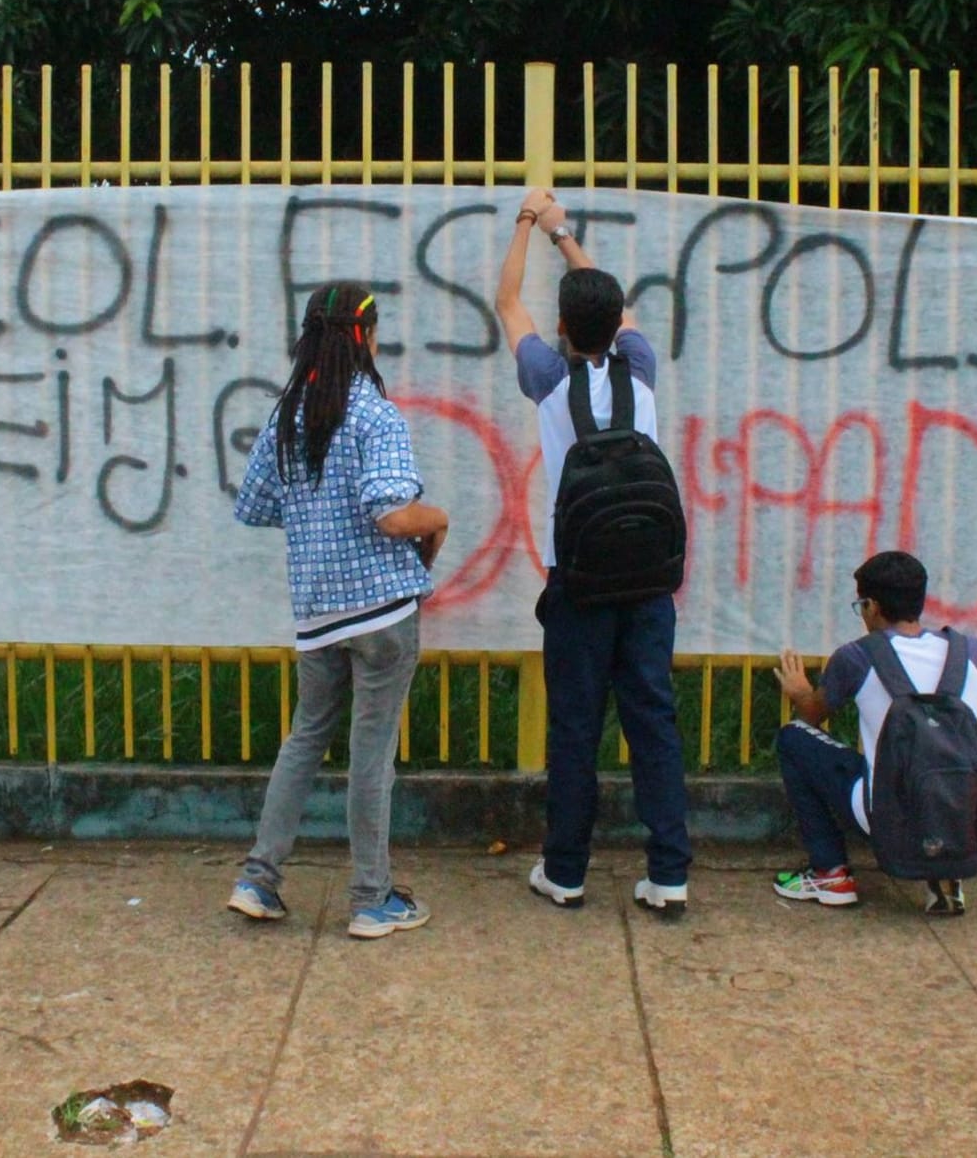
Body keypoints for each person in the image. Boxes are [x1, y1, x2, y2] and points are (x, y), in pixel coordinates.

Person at [227, 281, 448, 939]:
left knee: (305, 740)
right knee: (371, 755)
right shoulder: (375, 414)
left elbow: (255, 506)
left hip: (319, 613)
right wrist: (436, 520)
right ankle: (371, 898)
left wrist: (313, 513)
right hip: (381, 612)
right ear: (366, 337)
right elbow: (391, 512)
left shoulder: (287, 417)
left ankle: (258, 878)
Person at [495, 188, 692, 917]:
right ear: (616, 325)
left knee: (575, 725)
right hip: (648, 582)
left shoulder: (547, 377)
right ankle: (668, 873)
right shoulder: (638, 364)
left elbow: (506, 300)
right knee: (653, 720)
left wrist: (523, 221)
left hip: (577, 580)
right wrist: (562, 234)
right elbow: (616, 306)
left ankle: (566, 869)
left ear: (561, 328)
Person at [772, 551, 977, 916]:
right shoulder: (970, 651)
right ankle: (944, 875)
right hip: (961, 819)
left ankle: (829, 872)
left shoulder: (858, 657)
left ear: (872, 606)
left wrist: (799, 691)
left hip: (887, 819)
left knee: (794, 738)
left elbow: (813, 715)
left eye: (861, 605)